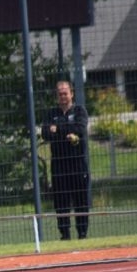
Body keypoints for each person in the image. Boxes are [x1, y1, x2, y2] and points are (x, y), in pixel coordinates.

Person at [40, 80, 90, 240]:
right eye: (60, 94)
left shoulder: (80, 110)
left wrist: (58, 129)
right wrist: (65, 132)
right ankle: (65, 234)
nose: (63, 96)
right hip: (59, 165)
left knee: (81, 200)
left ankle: (82, 233)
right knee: (61, 202)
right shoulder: (51, 113)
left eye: (65, 93)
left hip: (77, 164)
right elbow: (45, 133)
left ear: (71, 94)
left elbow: (80, 129)